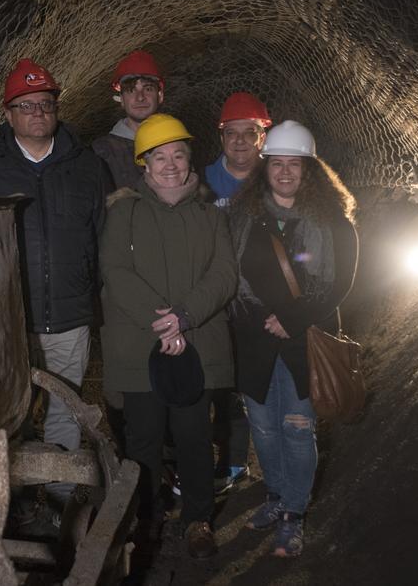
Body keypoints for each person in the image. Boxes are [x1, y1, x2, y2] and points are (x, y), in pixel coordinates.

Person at [0, 58, 113, 511]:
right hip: (9, 319)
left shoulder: (87, 167)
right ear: (8, 114)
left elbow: (103, 238)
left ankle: (59, 505)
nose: (37, 113)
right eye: (26, 106)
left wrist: (97, 299)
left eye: (45, 104)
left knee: (65, 411)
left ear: (56, 109)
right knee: (10, 414)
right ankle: (16, 504)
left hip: (69, 314)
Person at [98, 113, 237, 559]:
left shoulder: (209, 214)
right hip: (142, 346)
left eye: (178, 154)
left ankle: (198, 519)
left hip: (193, 344)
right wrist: (162, 322)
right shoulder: (125, 212)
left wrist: (184, 317)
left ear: (189, 159)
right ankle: (147, 519)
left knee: (195, 436)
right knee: (143, 442)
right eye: (160, 157)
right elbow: (115, 270)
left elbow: (224, 274)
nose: (171, 164)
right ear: (144, 164)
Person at [227, 120, 358, 558]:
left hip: (304, 339)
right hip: (253, 338)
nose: (285, 172)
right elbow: (230, 272)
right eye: (277, 164)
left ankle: (294, 514)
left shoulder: (335, 223)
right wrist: (257, 317)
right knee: (263, 427)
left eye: (295, 164)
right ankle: (276, 496)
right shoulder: (242, 216)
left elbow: (340, 283)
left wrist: (292, 318)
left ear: (310, 170)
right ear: (265, 168)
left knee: (298, 429)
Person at [91, 49, 166, 455]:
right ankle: (131, 459)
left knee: (170, 363)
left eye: (148, 86)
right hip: (121, 282)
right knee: (124, 372)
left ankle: (165, 455)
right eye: (130, 87)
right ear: (117, 95)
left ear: (160, 93)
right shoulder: (102, 151)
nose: (140, 93)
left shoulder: (174, 141)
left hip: (171, 276)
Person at [202, 91, 273, 495]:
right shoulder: (206, 183)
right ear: (222, 136)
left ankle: (274, 463)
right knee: (225, 386)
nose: (241, 141)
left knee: (267, 386)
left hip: (266, 303)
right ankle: (232, 462)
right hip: (221, 302)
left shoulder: (277, 178)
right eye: (233, 133)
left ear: (263, 136)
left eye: (250, 132)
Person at [92, 50, 164, 190]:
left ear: (160, 96)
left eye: (148, 89)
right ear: (122, 100)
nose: (140, 97)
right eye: (131, 90)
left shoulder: (175, 145)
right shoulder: (102, 152)